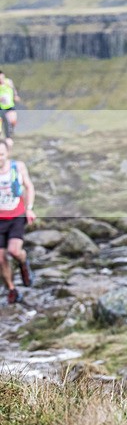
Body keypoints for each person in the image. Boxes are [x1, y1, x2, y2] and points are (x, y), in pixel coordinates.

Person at [0, 139, 36, 304]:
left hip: (16, 216)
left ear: (7, 153)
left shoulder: (18, 167)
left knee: (14, 251)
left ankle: (23, 262)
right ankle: (12, 289)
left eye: (1, 154)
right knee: (0, 259)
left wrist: (29, 208)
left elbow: (29, 187)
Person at [0, 70, 21, 144]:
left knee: (13, 120)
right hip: (1, 107)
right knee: (4, 122)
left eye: (2, 77)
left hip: (10, 105)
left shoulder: (8, 82)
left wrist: (15, 95)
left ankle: (11, 132)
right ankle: (6, 136)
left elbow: (13, 89)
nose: (1, 80)